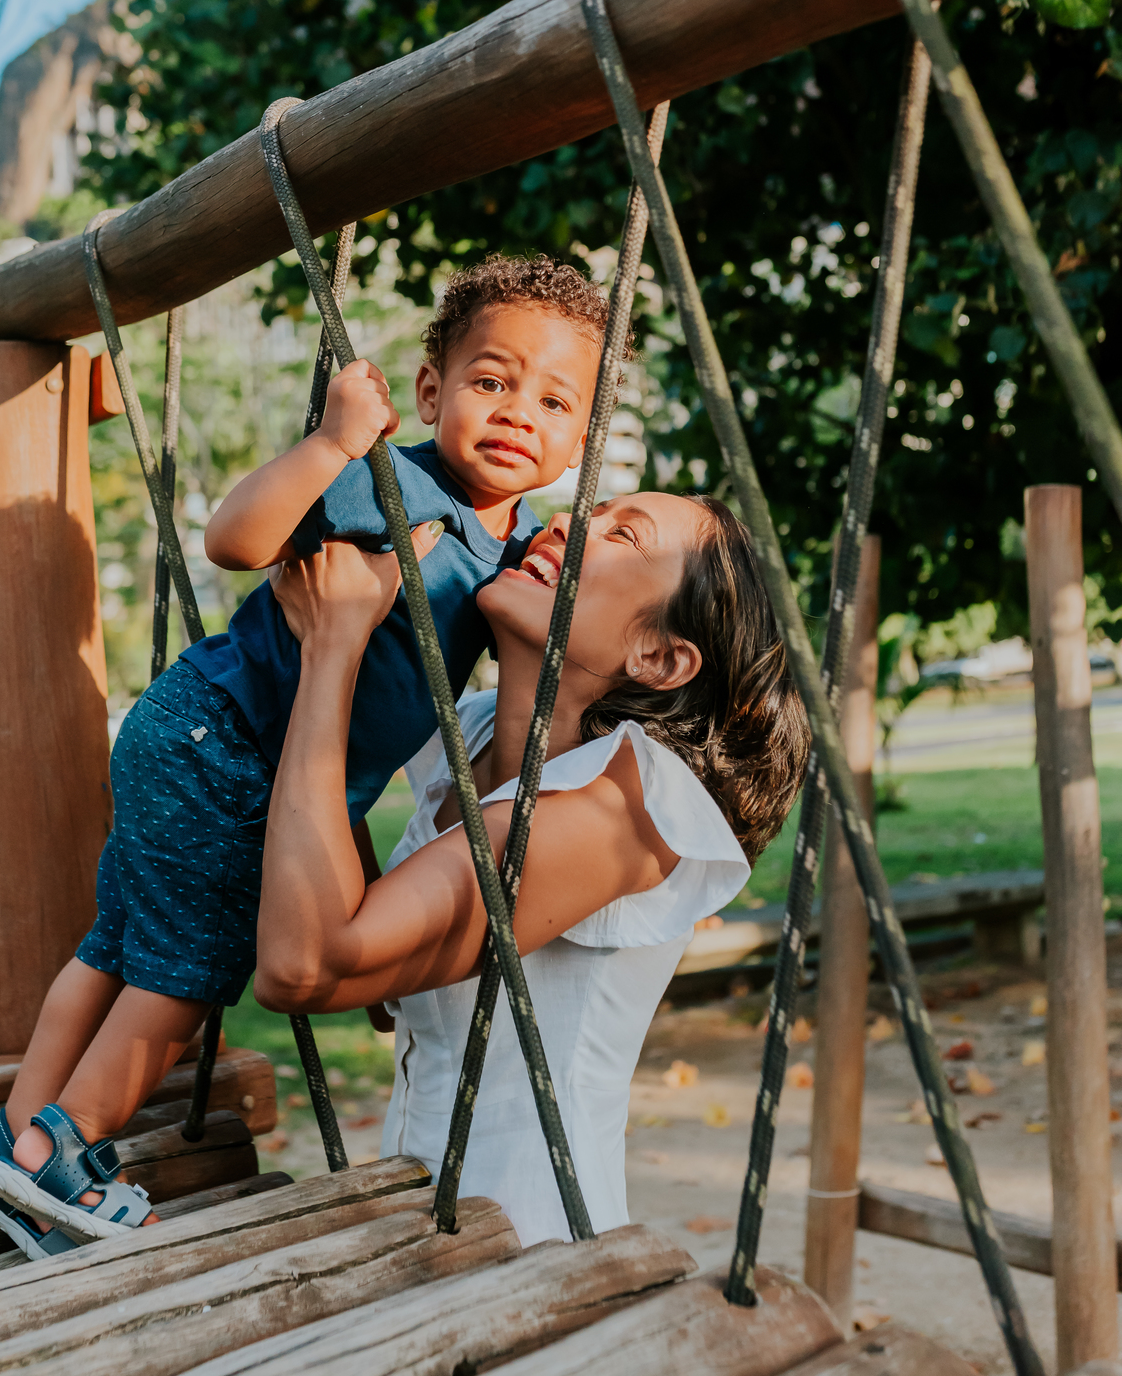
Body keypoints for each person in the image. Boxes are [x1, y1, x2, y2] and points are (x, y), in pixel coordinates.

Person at [0, 255, 611, 1258]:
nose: (521, 410)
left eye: (556, 398)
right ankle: (64, 1144)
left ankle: (12, 1147)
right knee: (186, 972)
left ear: (582, 431)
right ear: (431, 391)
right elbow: (232, 536)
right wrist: (339, 439)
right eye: (492, 379)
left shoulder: (510, 551)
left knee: (116, 945)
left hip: (221, 743)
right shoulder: (403, 486)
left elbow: (355, 756)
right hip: (224, 744)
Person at [253, 487, 809, 1246]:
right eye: (591, 508)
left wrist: (333, 650)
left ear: (658, 655)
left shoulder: (631, 808)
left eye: (622, 534)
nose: (567, 522)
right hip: (409, 1223)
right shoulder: (464, 734)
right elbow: (387, 994)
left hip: (532, 1243)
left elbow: (303, 965)